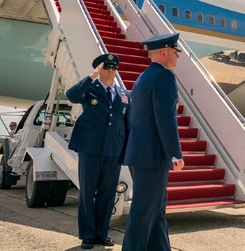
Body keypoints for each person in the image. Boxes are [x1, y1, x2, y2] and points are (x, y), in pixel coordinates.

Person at [122, 34, 185, 251]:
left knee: (156, 211)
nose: (177, 56)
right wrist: (175, 153)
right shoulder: (163, 77)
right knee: (144, 213)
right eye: (175, 52)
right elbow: (165, 119)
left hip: (142, 154)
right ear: (164, 52)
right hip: (152, 156)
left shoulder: (143, 77)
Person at [66, 54, 130, 249]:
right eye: (106, 66)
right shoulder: (90, 88)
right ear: (99, 68)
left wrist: (124, 150)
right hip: (90, 148)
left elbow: (127, 123)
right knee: (87, 192)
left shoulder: (123, 93)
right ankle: (87, 235)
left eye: (113, 66)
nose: (111, 69)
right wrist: (91, 76)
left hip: (113, 149)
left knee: (107, 193)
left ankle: (102, 233)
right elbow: (72, 95)